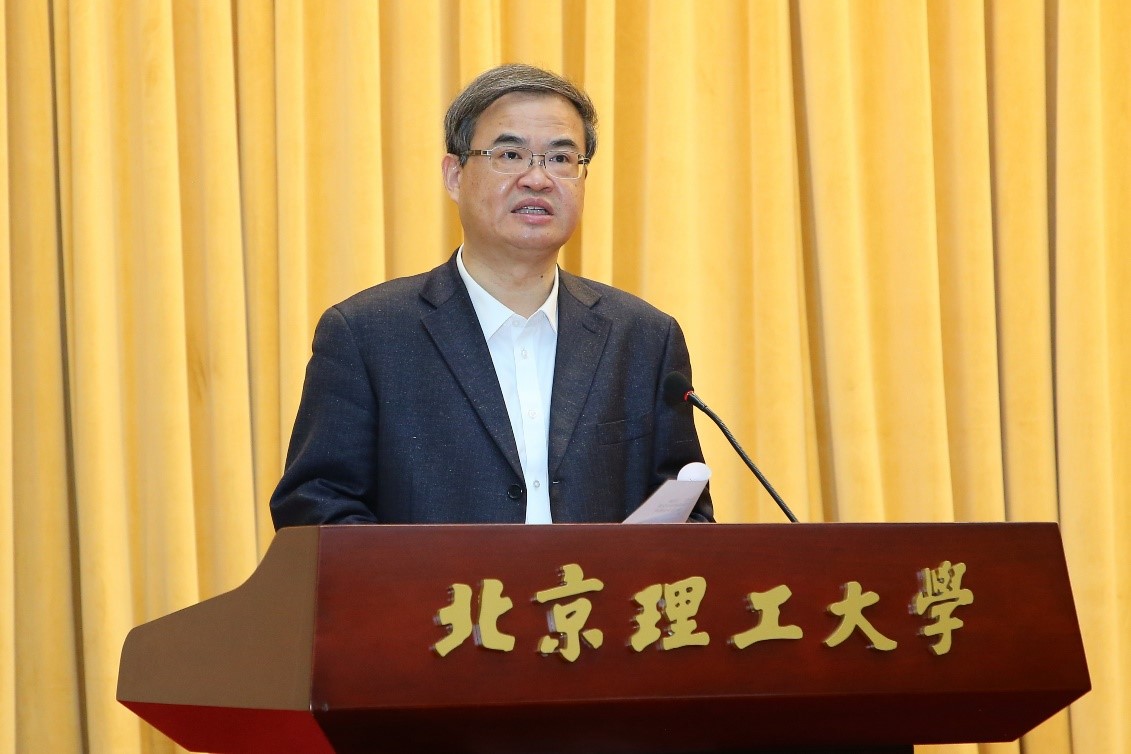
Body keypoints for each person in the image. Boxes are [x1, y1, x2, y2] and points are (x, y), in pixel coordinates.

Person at [270, 63, 713, 527]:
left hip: (597, 582)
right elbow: (316, 509)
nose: (537, 179)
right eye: (510, 154)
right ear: (454, 175)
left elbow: (689, 518)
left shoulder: (644, 339)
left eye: (561, 159)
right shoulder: (367, 335)